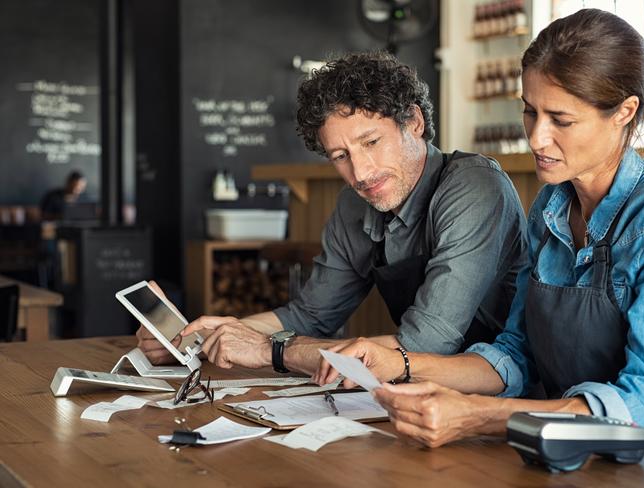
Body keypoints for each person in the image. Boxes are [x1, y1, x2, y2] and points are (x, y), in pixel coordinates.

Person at [315, 9, 644, 446]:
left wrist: (480, 415)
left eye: (561, 120)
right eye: (530, 112)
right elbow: (516, 354)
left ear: (625, 112)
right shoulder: (550, 208)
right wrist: (396, 362)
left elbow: (640, 403)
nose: (536, 138)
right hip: (557, 450)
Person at [138, 51, 528, 375]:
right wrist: (204, 335)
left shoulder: (473, 186)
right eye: (340, 156)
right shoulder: (354, 205)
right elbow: (310, 315)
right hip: (420, 393)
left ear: (414, 123)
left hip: (503, 393)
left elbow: (426, 344)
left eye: (371, 142)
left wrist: (270, 350)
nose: (360, 173)